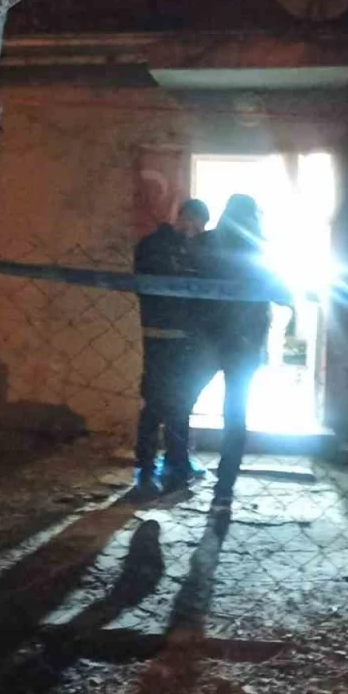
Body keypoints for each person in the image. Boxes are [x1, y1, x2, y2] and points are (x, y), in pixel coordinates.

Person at [195, 194, 288, 508]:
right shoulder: (261, 248)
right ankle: (225, 486)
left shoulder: (205, 244)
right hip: (245, 341)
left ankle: (177, 466)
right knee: (235, 412)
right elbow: (283, 293)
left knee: (180, 401)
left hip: (205, 337)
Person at [132, 198, 211, 498]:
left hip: (185, 338)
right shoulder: (155, 246)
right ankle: (145, 469)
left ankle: (177, 463)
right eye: (192, 222)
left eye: (199, 227)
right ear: (181, 217)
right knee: (155, 401)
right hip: (160, 334)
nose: (194, 230)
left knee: (181, 402)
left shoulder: (192, 249)